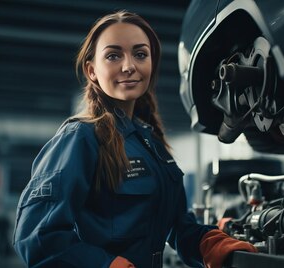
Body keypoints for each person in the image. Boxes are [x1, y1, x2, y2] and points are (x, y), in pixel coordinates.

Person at [13, 10, 256, 268]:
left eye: (140, 54)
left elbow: (176, 226)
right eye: (113, 55)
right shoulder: (80, 138)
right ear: (92, 70)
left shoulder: (149, 143)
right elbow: (37, 237)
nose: (129, 66)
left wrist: (210, 242)